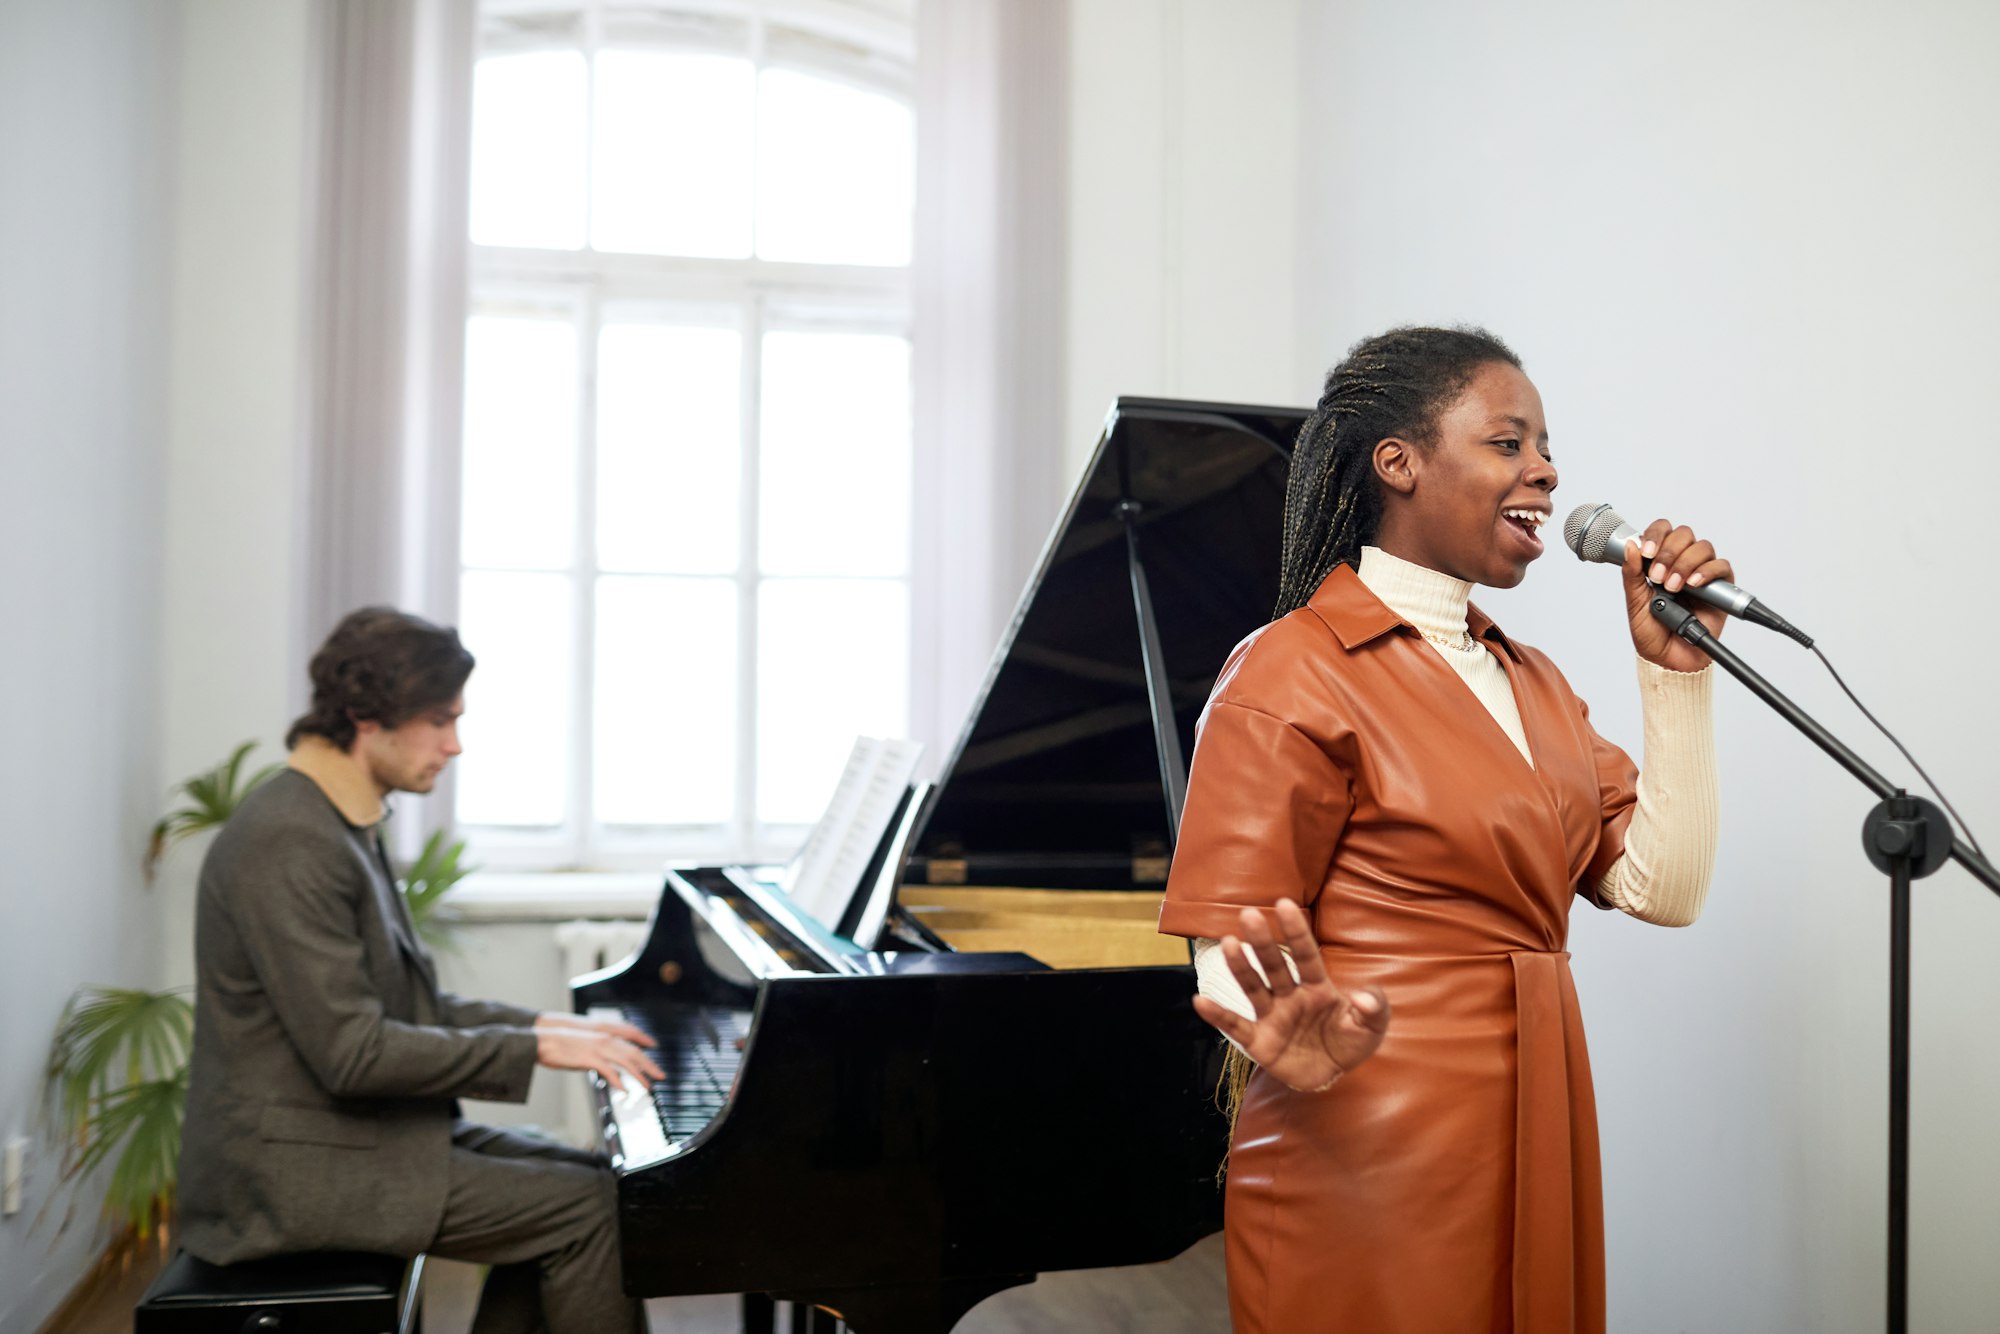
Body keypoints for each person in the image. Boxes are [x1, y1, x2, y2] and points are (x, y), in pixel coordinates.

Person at [1157, 327, 1725, 1333]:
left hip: (1535, 1119)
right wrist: (1293, 1044)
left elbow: (1661, 888)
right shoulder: (1289, 667)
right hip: (1365, 1142)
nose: (1545, 471)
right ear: (1399, 461)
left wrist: (1675, 676)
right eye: (1508, 442)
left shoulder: (1532, 681)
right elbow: (1230, 951)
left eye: (1545, 447)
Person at [178, 607, 667, 1334]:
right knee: (593, 1214)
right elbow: (355, 1054)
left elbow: (411, 1004)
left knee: (601, 1182)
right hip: (290, 1175)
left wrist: (545, 1025)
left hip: (345, 1138)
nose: (455, 745)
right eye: (440, 721)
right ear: (364, 717)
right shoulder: (289, 840)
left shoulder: (336, 821)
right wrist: (537, 1048)